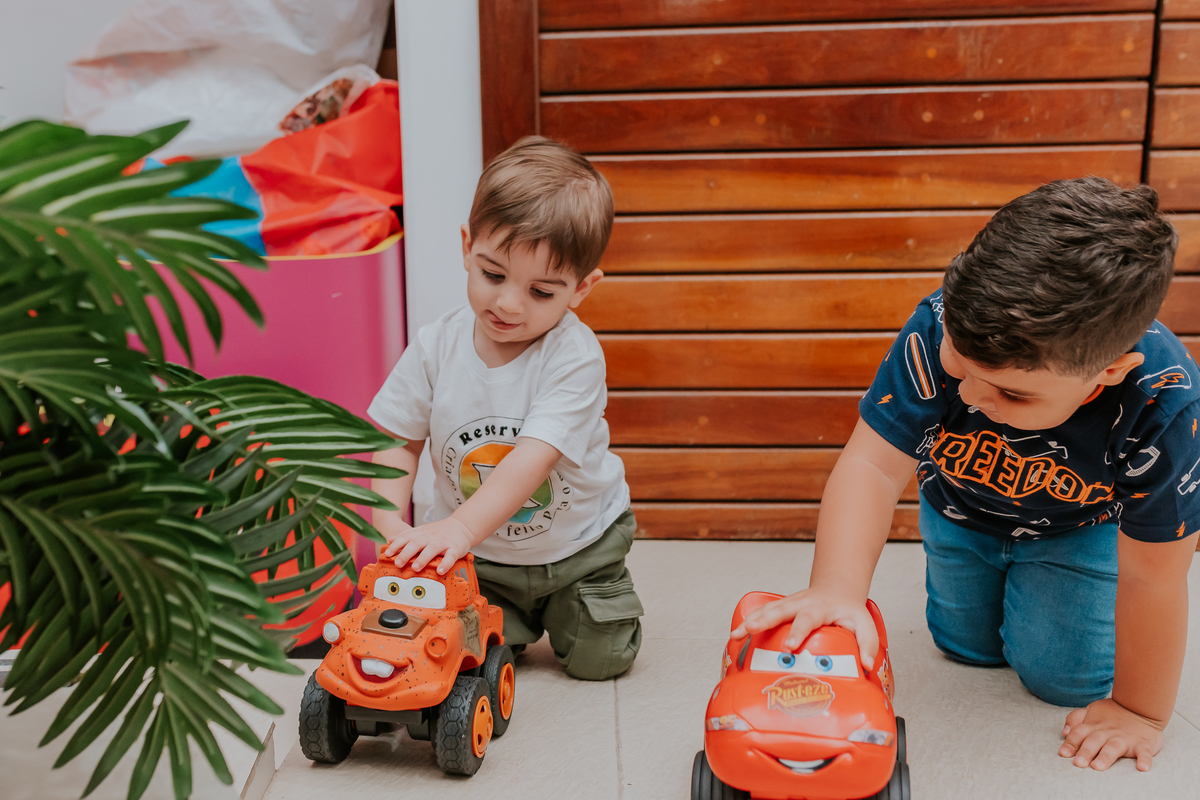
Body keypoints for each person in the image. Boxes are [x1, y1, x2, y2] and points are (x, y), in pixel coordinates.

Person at [733, 177, 1198, 771]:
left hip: (1078, 529)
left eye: (1009, 390)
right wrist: (837, 588)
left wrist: (1140, 710)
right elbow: (873, 465)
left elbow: (1154, 577)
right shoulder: (938, 325)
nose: (972, 399)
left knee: (1064, 679)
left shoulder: (1164, 405)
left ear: (1108, 372)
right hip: (960, 512)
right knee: (964, 648)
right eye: (959, 366)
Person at [367, 136, 641, 681]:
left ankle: (594, 600)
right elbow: (398, 439)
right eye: (493, 275)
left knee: (602, 662)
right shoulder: (435, 346)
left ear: (582, 289)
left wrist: (458, 529)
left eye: (542, 292)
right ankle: (511, 619)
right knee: (465, 662)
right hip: (479, 563)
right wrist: (387, 524)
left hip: (578, 549)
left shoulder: (574, 357)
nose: (509, 304)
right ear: (467, 247)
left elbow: (531, 461)